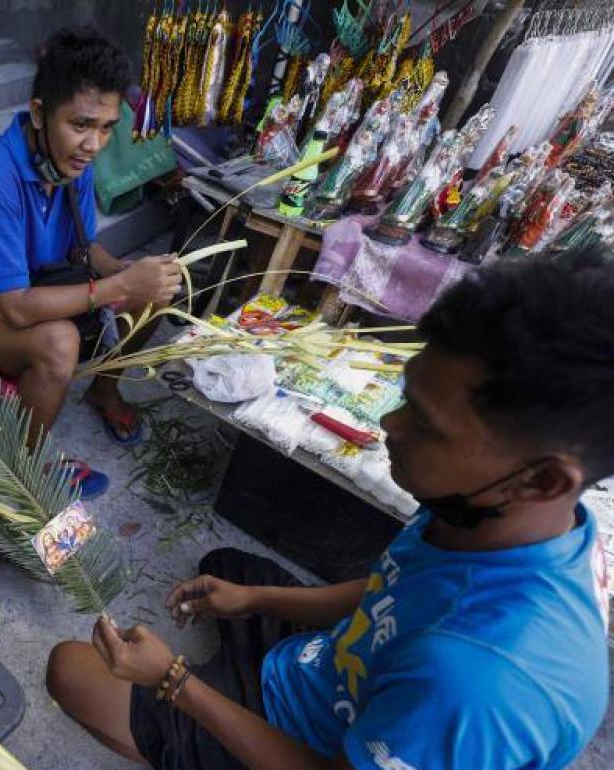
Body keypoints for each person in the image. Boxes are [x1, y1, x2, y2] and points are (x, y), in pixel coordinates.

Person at [46, 244, 613, 769]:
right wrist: (256, 599)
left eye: (425, 423)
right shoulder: (488, 511)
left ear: (540, 480)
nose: (390, 427)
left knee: (71, 671)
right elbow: (391, 589)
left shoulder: (477, 685)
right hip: (323, 670)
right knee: (224, 569)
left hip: (312, 745)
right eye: (406, 399)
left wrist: (174, 682)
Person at [0, 27, 182, 498]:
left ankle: (104, 389)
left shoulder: (72, 166)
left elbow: (84, 250)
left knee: (153, 294)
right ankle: (19, 473)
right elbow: (16, 307)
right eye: (81, 124)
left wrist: (136, 275)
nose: (94, 144)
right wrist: (118, 287)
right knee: (59, 341)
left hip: (48, 286)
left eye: (107, 128)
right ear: (39, 113)